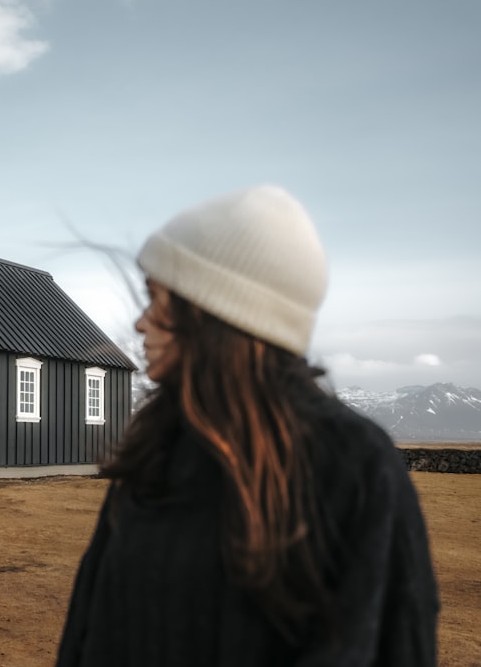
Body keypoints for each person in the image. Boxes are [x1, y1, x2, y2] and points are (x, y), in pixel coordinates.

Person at [57, 185, 439, 666]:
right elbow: (86, 629)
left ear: (213, 311)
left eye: (158, 300)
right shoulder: (156, 449)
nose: (140, 323)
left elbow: (399, 643)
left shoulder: (355, 465)